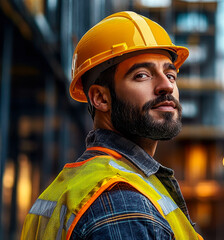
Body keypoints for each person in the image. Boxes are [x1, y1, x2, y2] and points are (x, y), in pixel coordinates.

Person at [21, 11, 203, 240]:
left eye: (170, 74)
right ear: (101, 98)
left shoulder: (73, 184)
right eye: (142, 75)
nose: (166, 85)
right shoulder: (122, 203)